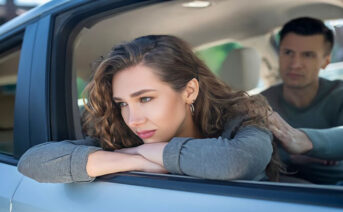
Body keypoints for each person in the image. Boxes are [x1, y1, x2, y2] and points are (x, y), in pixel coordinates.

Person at [18, 35, 279, 183]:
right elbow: (32, 162)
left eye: (144, 99)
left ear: (189, 91)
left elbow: (235, 162)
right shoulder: (121, 136)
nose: (133, 119)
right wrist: (136, 160)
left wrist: (151, 151)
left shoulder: (243, 120)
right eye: (122, 104)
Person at [262, 17, 343, 184]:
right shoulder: (260, 103)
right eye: (288, 52)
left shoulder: (339, 94)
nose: (295, 64)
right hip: (282, 191)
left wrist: (304, 141)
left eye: (308, 55)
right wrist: (293, 156)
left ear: (325, 61)